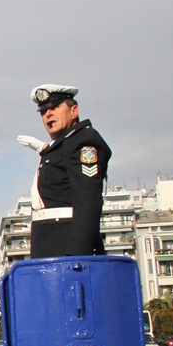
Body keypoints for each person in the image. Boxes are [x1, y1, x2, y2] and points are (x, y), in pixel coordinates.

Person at [19, 83, 111, 258]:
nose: (48, 114)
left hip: (67, 245)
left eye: (54, 108)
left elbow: (88, 201)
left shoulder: (84, 141)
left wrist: (78, 255)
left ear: (73, 111)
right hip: (50, 244)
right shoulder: (65, 145)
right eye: (43, 111)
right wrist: (45, 150)